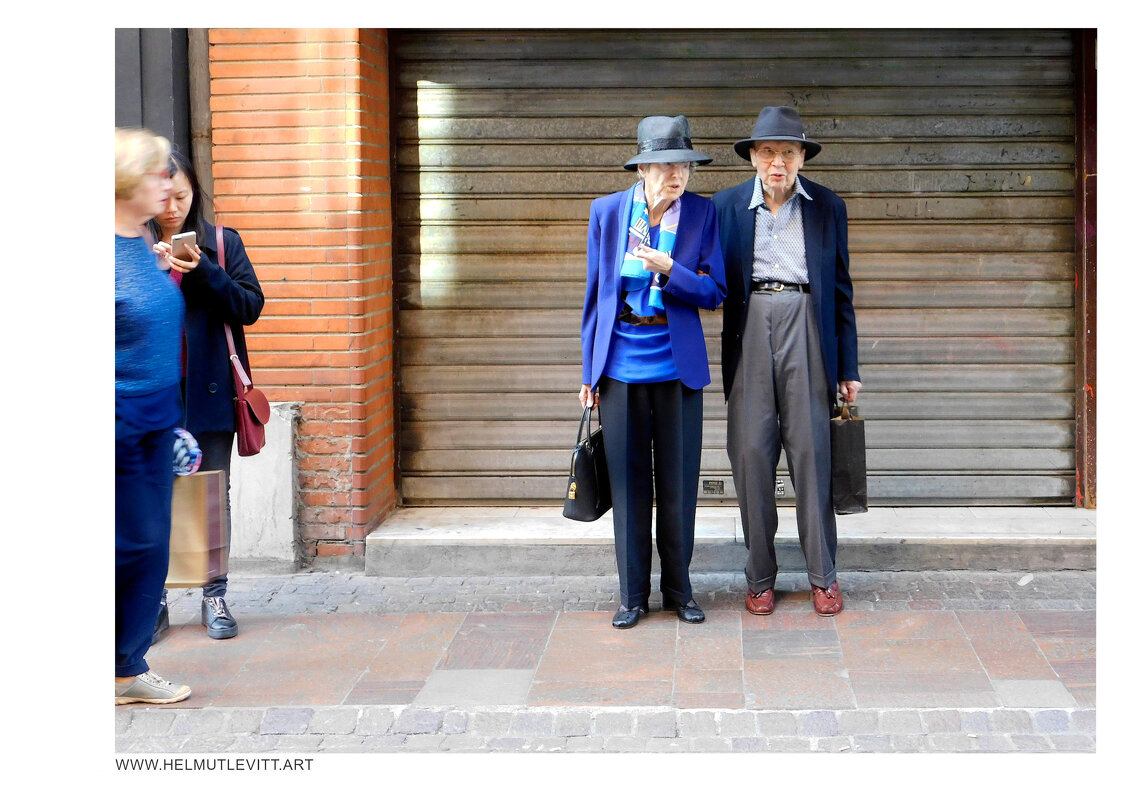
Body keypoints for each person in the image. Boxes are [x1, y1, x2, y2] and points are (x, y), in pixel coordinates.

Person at [712, 106, 861, 617]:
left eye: (789, 153)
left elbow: (840, 290)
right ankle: (759, 577)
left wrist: (849, 367)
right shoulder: (725, 206)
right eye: (769, 152)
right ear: (753, 157)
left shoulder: (826, 206)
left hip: (807, 325)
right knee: (751, 455)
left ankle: (823, 577)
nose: (779, 162)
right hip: (750, 324)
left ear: (801, 158)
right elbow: (711, 281)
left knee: (813, 456)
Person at [580, 115, 727, 629]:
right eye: (666, 164)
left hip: (677, 367)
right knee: (628, 486)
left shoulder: (703, 214)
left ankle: (680, 592)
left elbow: (715, 293)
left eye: (683, 165)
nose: (676, 175)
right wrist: (589, 370)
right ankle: (631, 596)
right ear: (642, 166)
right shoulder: (608, 212)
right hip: (620, 365)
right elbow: (597, 296)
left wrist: (672, 271)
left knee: (679, 485)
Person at [148, 151, 265, 640]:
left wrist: (205, 272)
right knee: (150, 496)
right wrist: (151, 279)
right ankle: (151, 602)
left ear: (195, 191)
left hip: (210, 391)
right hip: (149, 394)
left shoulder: (221, 242)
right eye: (164, 197)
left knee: (214, 496)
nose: (173, 207)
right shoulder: (128, 247)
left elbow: (250, 307)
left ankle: (214, 596)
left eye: (183, 195)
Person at [115, 127, 191, 704]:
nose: (169, 182)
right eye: (158, 172)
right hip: (114, 421)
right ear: (122, 181)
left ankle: (124, 671)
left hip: (156, 419)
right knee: (121, 546)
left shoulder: (140, 238)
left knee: (147, 546)